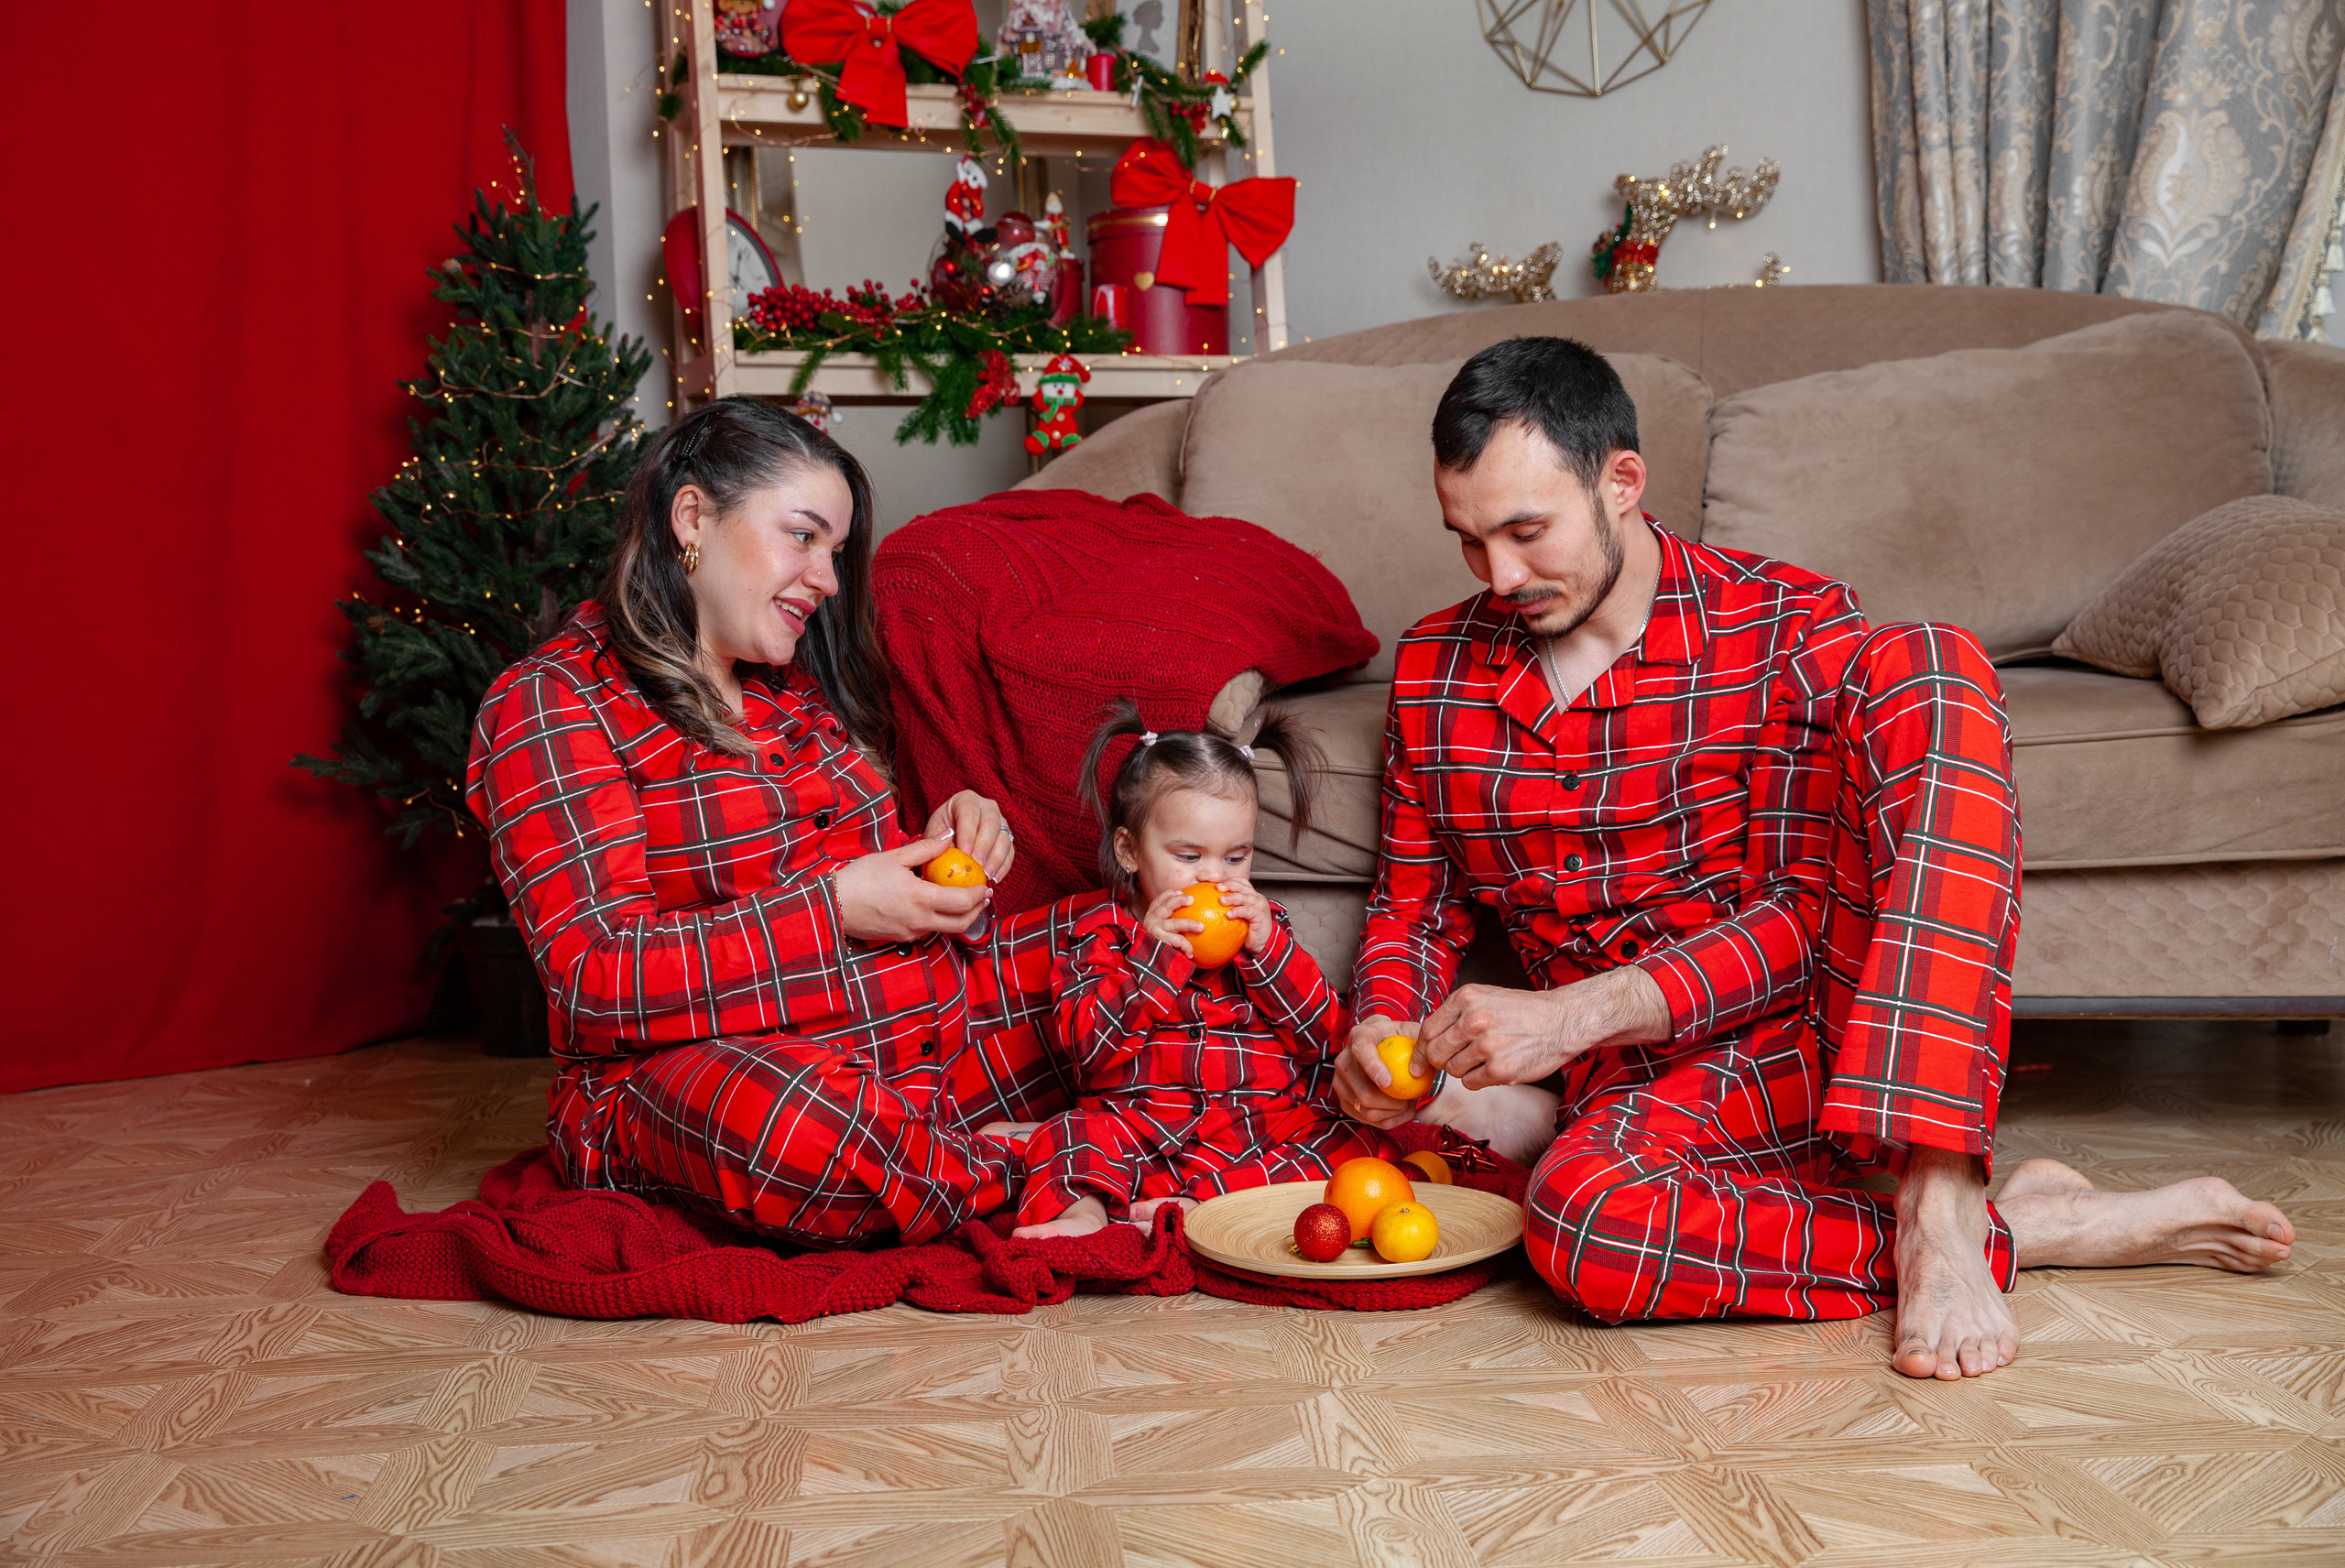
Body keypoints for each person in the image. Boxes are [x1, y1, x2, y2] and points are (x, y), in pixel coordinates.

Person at [1330, 336, 2296, 1379]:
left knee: (1929, 659)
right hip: (1626, 1087)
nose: (1500, 575)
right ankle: (2040, 1228)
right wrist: (1383, 1024)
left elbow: (1803, 914)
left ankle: (1940, 1194)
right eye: (1469, 541)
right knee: (1580, 1230)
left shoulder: (1788, 622)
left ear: (1621, 481)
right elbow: (1411, 910)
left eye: (1526, 531)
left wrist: (1581, 1008)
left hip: (1812, 1038)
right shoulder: (1436, 666)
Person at [465, 397, 1079, 1247]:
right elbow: (594, 978)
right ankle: (1063, 1165)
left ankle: (958, 1162)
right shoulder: (555, 701)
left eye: (835, 552)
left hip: (911, 1044)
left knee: (1138, 945)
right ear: (693, 518)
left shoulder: (793, 691)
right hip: (714, 1081)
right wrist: (832, 910)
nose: (828, 580)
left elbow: (871, 876)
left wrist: (946, 844)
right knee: (795, 1129)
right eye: (804, 536)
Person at [1010, 701, 1400, 1238]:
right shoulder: (1102, 935)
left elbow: (1323, 1036)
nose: (1213, 879)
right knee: (1074, 1134)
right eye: (1189, 858)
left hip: (1254, 1126)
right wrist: (1156, 958)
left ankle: (1199, 1206)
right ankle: (1086, 1216)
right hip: (1140, 1131)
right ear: (1129, 851)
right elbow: (1089, 1050)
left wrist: (1270, 951)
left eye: (1235, 857)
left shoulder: (1262, 930)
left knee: (1358, 1146)